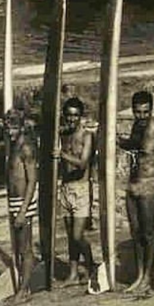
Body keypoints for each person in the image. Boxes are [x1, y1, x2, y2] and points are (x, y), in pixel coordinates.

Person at [118, 90, 154, 293]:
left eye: (145, 112)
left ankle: (149, 277)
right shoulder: (136, 127)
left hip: (150, 188)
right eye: (137, 112)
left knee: (149, 234)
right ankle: (140, 274)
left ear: (151, 110)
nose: (141, 116)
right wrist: (117, 141)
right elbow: (133, 146)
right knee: (136, 231)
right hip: (133, 186)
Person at [58, 98, 98, 291]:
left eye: (75, 115)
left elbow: (83, 163)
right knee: (69, 235)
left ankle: (91, 266)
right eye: (69, 115)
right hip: (66, 188)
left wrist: (62, 155)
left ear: (80, 116)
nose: (72, 119)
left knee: (77, 235)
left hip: (81, 190)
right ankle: (73, 273)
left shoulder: (87, 136)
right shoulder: (63, 135)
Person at [4, 110, 39, 304]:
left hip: (24, 202)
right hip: (14, 201)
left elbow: (32, 180)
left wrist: (23, 211)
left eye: (14, 127)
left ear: (22, 126)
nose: (11, 131)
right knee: (18, 246)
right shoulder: (13, 146)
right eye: (8, 127)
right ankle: (24, 287)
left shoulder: (26, 148)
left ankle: (24, 290)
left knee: (25, 247)